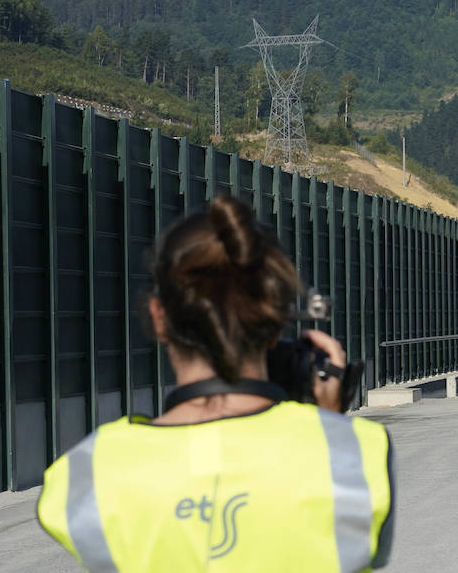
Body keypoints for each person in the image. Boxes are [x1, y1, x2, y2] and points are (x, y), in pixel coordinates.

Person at [36, 195, 393, 572]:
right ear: (273, 326)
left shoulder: (87, 473)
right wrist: (328, 423)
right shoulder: (356, 455)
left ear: (160, 318)